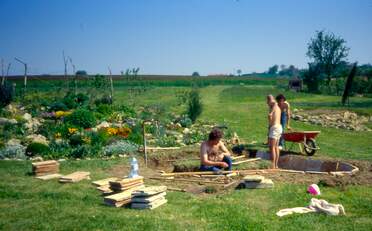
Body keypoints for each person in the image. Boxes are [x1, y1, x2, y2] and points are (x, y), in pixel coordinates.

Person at [267, 95, 282, 169]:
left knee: (272, 147)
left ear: (269, 100)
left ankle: (272, 165)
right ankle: (276, 165)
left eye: (267, 102)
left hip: (275, 127)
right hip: (279, 127)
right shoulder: (278, 107)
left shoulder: (274, 106)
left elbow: (270, 116)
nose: (267, 104)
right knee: (276, 147)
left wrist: (270, 125)